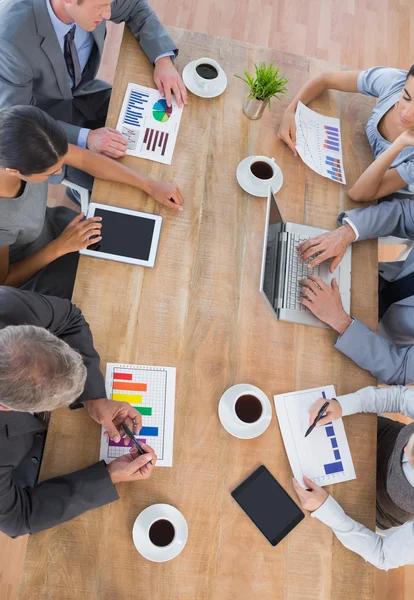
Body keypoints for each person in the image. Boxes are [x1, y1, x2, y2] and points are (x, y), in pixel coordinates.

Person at [0, 287, 157, 538]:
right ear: (5, 407)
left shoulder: (8, 303)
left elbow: (70, 319)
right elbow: (18, 516)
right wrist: (107, 477)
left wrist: (93, 397)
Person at [0, 105, 184, 299]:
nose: (58, 174)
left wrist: (150, 185)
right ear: (14, 171)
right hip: (36, 270)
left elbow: (85, 160)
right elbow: (5, 281)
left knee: (148, 258)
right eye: (50, 173)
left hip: (58, 229)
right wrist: (60, 247)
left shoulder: (20, 139)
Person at [0, 0, 187, 189]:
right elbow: (16, 125)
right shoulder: (9, 42)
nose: (108, 13)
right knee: (118, 189)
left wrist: (163, 60)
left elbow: (134, 6)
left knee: (164, 133)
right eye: (101, 7)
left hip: (87, 93)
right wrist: (85, 137)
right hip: (46, 131)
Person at [292, 385, 414, 570]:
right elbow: (398, 398)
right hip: (375, 433)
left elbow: (382, 555)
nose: (404, 449)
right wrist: (345, 405)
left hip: (371, 504)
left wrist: (327, 510)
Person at [297, 198, 414, 385]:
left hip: (372, 340)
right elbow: (403, 213)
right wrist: (348, 232)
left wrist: (340, 321)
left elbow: (399, 368)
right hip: (371, 278)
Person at [278, 65, 414, 202]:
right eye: (406, 97)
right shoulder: (395, 81)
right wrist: (290, 111)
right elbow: (325, 79)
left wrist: (399, 144)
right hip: (355, 157)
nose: (407, 113)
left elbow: (358, 194)